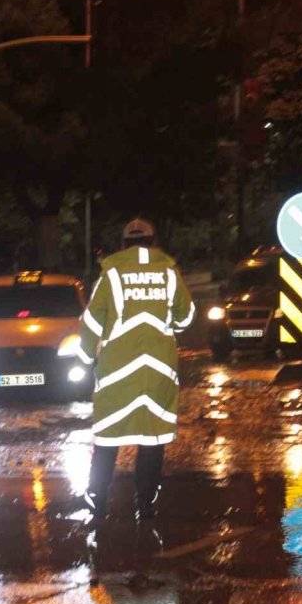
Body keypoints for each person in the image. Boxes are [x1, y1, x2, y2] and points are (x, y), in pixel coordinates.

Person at [76, 218, 195, 523]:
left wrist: (86, 356)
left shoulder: (111, 274)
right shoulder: (169, 272)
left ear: (123, 245)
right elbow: (186, 317)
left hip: (118, 371)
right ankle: (145, 504)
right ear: (153, 242)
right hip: (158, 371)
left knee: (108, 437)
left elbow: (92, 322)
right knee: (152, 439)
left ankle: (99, 500)